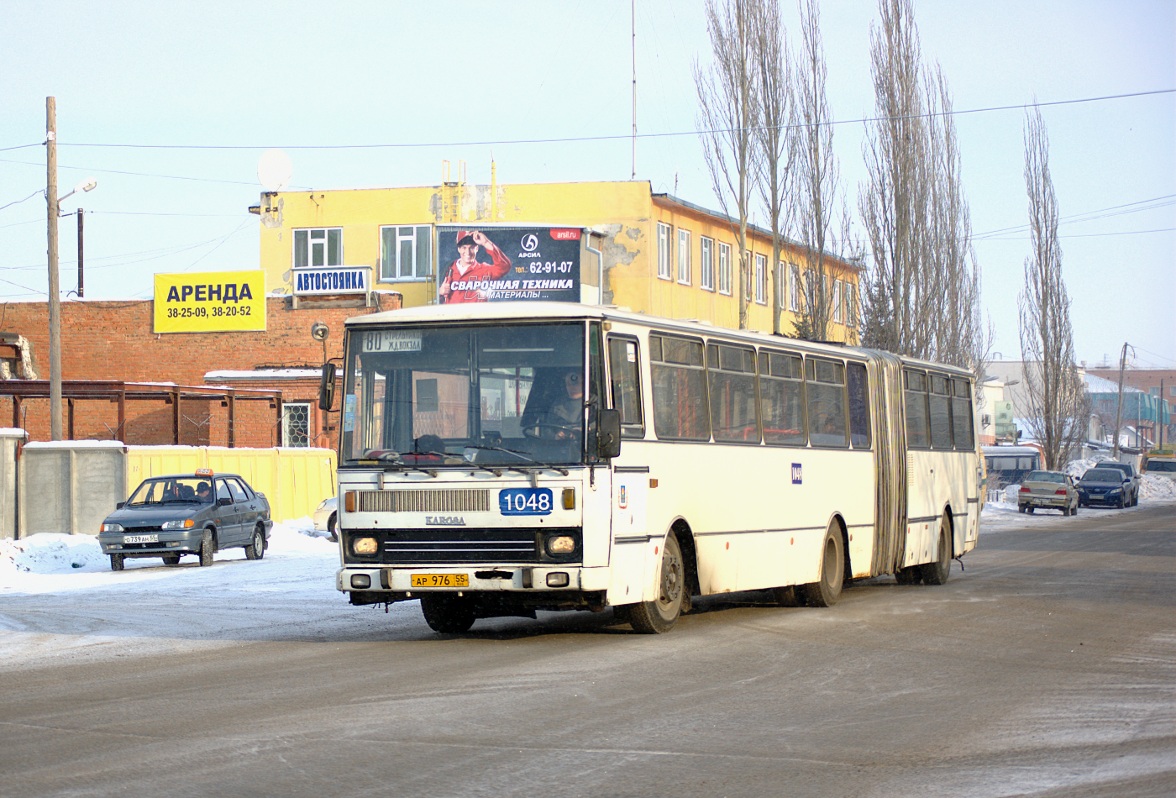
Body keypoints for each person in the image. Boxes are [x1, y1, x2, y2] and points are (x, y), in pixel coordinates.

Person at [438, 230, 512, 304]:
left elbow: (505, 266)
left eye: (471, 248)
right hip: (454, 315)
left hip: (476, 315)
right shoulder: (447, 269)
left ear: (477, 249)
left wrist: (486, 243)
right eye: (464, 247)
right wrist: (440, 292)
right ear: (459, 249)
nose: (468, 252)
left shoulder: (485, 270)